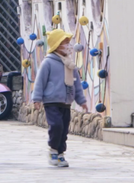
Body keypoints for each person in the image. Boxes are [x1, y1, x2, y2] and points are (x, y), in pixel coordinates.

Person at [32, 29, 88, 168]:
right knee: (56, 125)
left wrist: (82, 101)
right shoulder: (48, 62)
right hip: (52, 101)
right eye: (65, 43)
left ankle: (61, 153)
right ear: (56, 45)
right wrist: (37, 98)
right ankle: (52, 150)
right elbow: (40, 81)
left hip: (66, 102)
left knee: (64, 129)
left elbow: (77, 83)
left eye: (69, 42)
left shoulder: (70, 64)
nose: (69, 46)